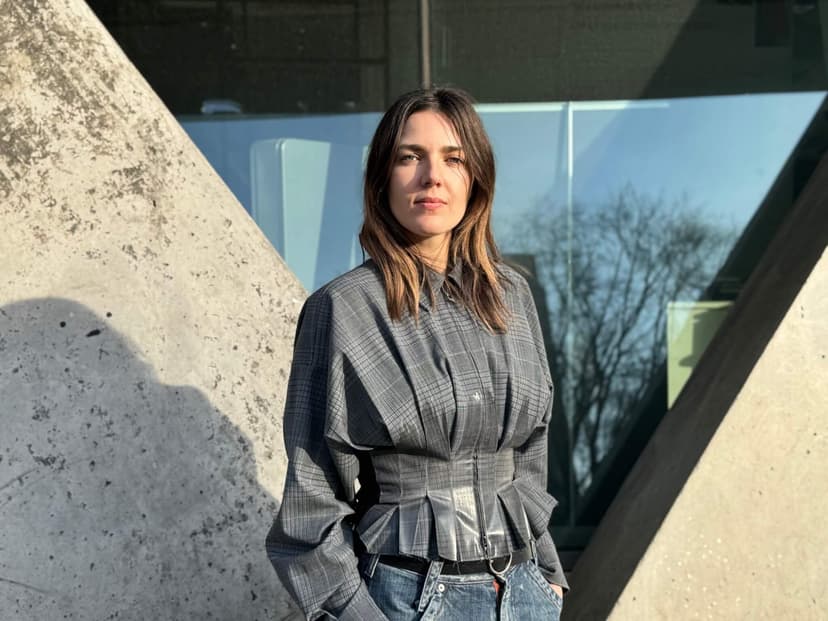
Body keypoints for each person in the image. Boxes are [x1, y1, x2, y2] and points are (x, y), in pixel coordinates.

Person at [266, 87, 568, 620]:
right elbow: (311, 499)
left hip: (525, 594)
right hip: (410, 601)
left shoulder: (513, 296)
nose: (433, 177)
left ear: (476, 178)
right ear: (382, 177)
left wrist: (548, 576)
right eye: (411, 157)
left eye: (454, 159)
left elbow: (530, 454)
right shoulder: (343, 308)